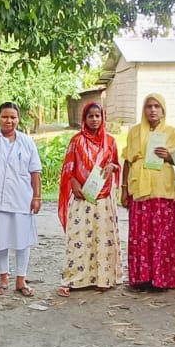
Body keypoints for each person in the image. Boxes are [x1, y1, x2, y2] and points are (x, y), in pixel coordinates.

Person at [0, 102, 42, 297]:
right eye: (5, 116)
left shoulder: (27, 142)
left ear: (18, 119)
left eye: (13, 117)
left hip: (22, 198)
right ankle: (3, 278)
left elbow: (35, 171)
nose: (9, 120)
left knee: (22, 240)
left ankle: (21, 279)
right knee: (0, 240)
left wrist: (37, 196)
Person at [57, 101, 121, 296]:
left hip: (102, 198)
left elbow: (117, 164)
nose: (94, 120)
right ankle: (73, 279)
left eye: (98, 116)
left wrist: (113, 167)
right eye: (90, 116)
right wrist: (74, 183)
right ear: (84, 119)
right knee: (78, 236)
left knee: (102, 238)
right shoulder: (76, 141)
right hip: (81, 197)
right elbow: (69, 167)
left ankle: (103, 278)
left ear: (103, 118)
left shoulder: (110, 142)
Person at [121, 93, 175, 291]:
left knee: (163, 236)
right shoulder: (134, 132)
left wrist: (169, 157)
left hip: (162, 191)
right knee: (141, 234)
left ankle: (164, 278)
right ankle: (142, 277)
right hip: (140, 189)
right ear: (144, 109)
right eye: (149, 106)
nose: (153, 110)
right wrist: (124, 189)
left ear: (163, 109)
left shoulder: (173, 133)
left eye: (157, 106)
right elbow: (127, 160)